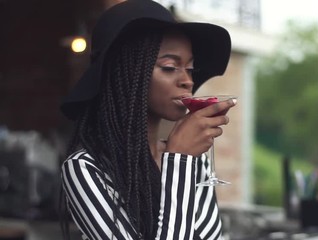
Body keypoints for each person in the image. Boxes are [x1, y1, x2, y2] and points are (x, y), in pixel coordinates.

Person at [59, 0, 236, 239]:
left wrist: (183, 160)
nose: (188, 81)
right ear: (130, 73)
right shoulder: (85, 168)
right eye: (170, 67)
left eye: (190, 69)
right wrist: (179, 162)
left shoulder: (198, 163)